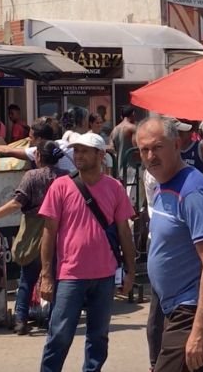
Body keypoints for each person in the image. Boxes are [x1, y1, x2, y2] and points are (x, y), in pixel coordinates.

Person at [38, 132, 136, 371]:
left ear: (100, 155)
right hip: (70, 275)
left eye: (84, 151)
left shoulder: (114, 188)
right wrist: (46, 276)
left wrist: (131, 272)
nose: (78, 155)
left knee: (99, 336)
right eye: (76, 151)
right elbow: (48, 233)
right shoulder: (60, 186)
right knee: (59, 335)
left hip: (105, 275)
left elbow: (125, 233)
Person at [137, 117, 203, 372]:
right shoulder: (163, 185)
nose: (150, 156)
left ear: (177, 145)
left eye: (157, 147)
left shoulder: (193, 192)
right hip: (175, 305)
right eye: (144, 150)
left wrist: (198, 330)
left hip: (190, 308)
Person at [0, 140, 69, 335]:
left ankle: (21, 320)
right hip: (59, 235)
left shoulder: (32, 176)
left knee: (27, 279)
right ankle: (53, 318)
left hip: (33, 235)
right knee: (55, 277)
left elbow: (17, 202)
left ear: (38, 157)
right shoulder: (66, 177)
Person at [0, 117, 75, 173]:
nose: (28, 140)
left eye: (30, 137)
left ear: (39, 139)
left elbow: (10, 151)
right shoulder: (66, 144)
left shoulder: (40, 151)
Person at [108, 105, 138, 178]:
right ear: (133, 114)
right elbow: (137, 150)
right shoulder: (133, 128)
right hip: (132, 170)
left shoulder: (114, 130)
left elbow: (111, 150)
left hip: (119, 171)